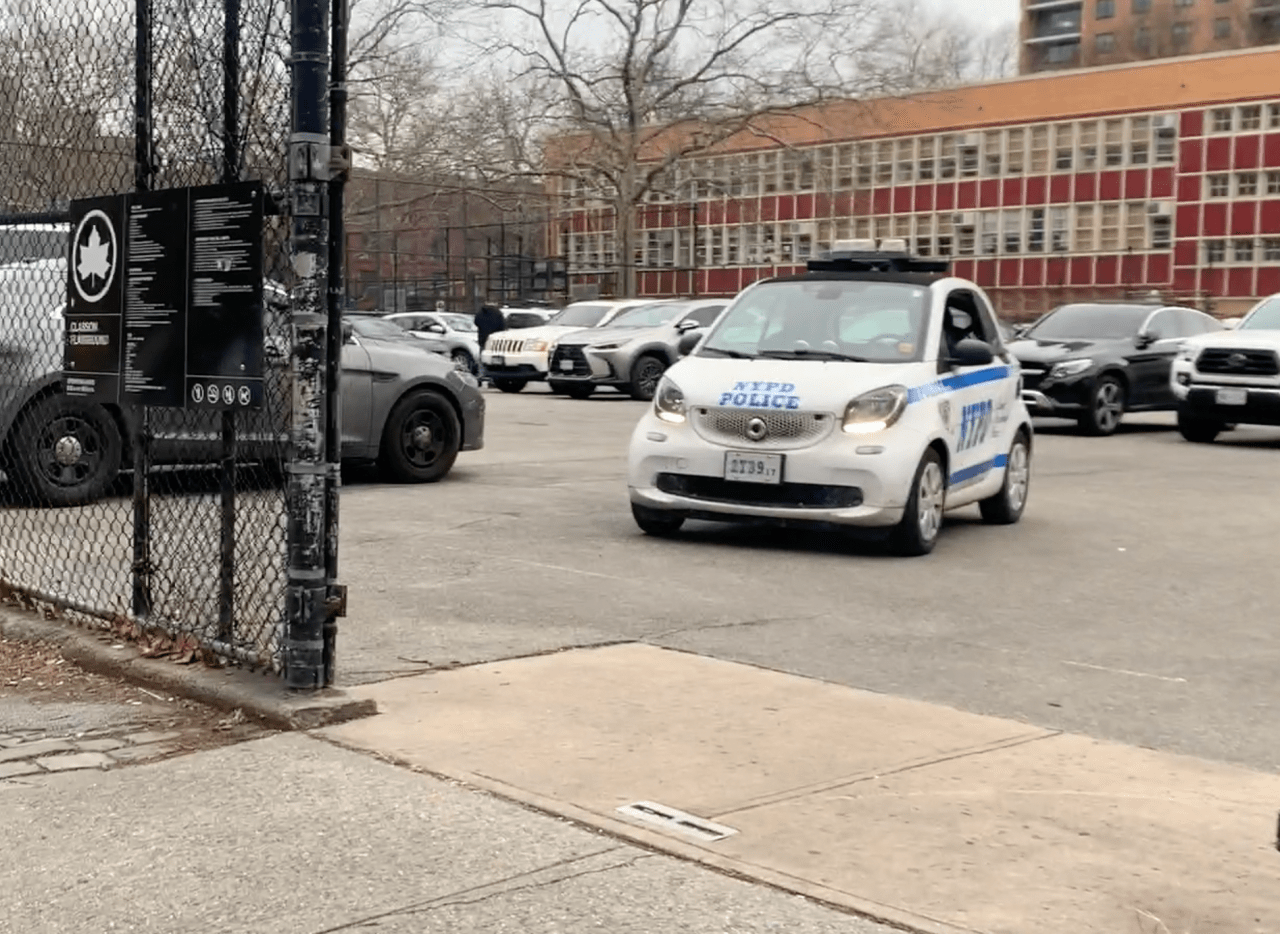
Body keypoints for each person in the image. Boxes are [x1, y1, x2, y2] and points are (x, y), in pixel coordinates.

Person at [474, 302, 506, 385]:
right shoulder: (498, 313)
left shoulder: (480, 312)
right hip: (495, 340)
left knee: (482, 358)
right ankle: (493, 378)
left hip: (483, 338)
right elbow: (502, 325)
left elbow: (476, 322)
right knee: (494, 359)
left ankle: (481, 376)